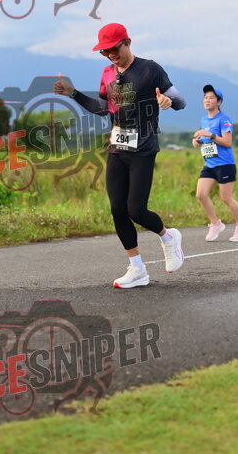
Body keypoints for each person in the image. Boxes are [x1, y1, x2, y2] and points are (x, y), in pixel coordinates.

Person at [53, 22, 186, 288]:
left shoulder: (150, 69)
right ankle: (137, 268)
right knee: (117, 209)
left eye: (114, 48)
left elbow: (180, 102)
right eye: (104, 51)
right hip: (117, 148)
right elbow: (102, 108)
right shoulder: (107, 73)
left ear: (127, 42)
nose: (110, 55)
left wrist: (167, 102)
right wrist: (73, 93)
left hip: (143, 149)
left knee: (136, 210)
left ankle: (168, 237)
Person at [193, 85, 238, 243]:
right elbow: (207, 140)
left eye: (211, 98)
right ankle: (215, 224)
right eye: (206, 97)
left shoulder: (224, 119)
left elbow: (227, 142)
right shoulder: (204, 120)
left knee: (226, 198)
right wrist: (198, 141)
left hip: (225, 164)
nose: (207, 100)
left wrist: (209, 134)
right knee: (201, 194)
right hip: (209, 164)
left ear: (218, 102)